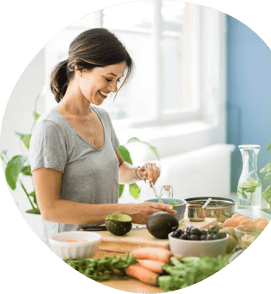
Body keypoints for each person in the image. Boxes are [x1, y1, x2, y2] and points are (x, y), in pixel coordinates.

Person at [30, 28, 177, 246]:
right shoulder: (50, 128)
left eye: (117, 80)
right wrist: (128, 211)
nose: (114, 88)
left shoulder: (102, 117)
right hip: (70, 250)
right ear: (80, 68)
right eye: (108, 78)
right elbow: (51, 209)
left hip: (105, 242)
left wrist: (139, 172)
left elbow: (117, 169)